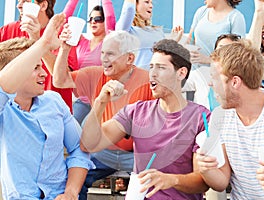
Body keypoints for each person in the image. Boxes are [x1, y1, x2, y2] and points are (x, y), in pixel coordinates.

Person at [80, 39, 210, 199]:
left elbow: (203, 181)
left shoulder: (201, 117)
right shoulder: (136, 112)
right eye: (151, 67)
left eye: (161, 68)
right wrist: (100, 102)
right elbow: (89, 144)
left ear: (181, 73)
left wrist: (171, 180)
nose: (153, 74)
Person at [0, 13, 93, 200]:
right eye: (35, 68)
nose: (44, 73)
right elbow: (3, 86)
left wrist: (70, 193)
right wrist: (42, 42)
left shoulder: (54, 101)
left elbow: (79, 149)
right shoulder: (4, 109)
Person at [53, 30, 153, 200]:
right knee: (72, 180)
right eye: (103, 53)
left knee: (152, 186)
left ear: (129, 58)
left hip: (134, 155)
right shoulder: (94, 74)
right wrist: (64, 49)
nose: (104, 59)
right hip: (101, 153)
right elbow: (60, 80)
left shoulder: (148, 81)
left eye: (111, 54)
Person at [196, 38, 264, 199]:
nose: (210, 83)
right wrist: (206, 169)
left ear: (235, 82)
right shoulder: (220, 116)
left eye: (215, 77)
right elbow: (222, 181)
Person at [0, 0, 80, 111]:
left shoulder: (63, 33)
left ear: (43, 5)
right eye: (19, 1)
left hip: (53, 113)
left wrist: (38, 41)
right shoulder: (8, 30)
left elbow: (63, 78)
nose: (18, 6)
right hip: (14, 113)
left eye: (25, 1)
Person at [73, 1, 116, 125]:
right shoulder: (81, 42)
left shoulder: (109, 41)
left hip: (104, 99)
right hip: (83, 99)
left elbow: (110, 17)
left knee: (90, 131)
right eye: (91, 19)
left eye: (98, 19)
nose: (93, 22)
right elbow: (64, 25)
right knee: (72, 128)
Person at [116, 0, 183, 70]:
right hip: (136, 78)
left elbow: (163, 57)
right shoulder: (127, 30)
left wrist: (172, 41)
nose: (151, 6)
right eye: (147, 2)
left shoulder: (157, 31)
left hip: (156, 78)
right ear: (135, 4)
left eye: (151, 3)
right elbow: (129, 9)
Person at [182, 33, 241, 109]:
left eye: (229, 50)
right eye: (221, 48)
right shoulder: (201, 73)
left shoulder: (241, 80)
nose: (224, 52)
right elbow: (174, 84)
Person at [186, 0, 246, 66]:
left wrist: (209, 60)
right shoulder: (201, 12)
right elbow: (190, 41)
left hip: (217, 73)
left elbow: (238, 56)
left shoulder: (236, 17)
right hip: (194, 72)